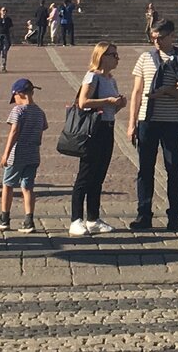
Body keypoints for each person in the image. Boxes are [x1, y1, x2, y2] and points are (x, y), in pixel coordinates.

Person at [128, 20, 178, 231]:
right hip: (147, 120)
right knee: (145, 169)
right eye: (153, 37)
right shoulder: (145, 58)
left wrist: (168, 91)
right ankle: (143, 214)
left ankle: (174, 215)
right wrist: (132, 124)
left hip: (171, 121)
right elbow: (137, 92)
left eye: (160, 37)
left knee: (174, 168)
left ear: (171, 36)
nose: (155, 41)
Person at [69, 42, 127, 234]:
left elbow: (111, 108)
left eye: (117, 55)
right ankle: (76, 219)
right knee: (85, 174)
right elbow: (83, 102)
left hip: (107, 128)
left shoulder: (111, 79)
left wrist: (119, 104)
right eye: (113, 55)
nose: (117, 59)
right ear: (102, 56)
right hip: (92, 130)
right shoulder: (92, 76)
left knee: (99, 175)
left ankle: (93, 218)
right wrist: (107, 101)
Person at [0, 78, 47, 233]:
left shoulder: (18, 110)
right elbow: (41, 133)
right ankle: (29, 221)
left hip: (17, 154)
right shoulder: (40, 112)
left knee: (7, 185)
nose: (14, 100)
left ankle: (4, 218)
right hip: (33, 155)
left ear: (19, 93)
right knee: (28, 187)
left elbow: (14, 132)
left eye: (14, 96)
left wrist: (5, 154)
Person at [0, 6, 14, 71]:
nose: (4, 12)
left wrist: (12, 37)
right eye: (3, 10)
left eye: (5, 11)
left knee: (4, 51)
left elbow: (11, 29)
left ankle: (3, 66)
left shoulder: (9, 20)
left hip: (6, 37)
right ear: (0, 11)